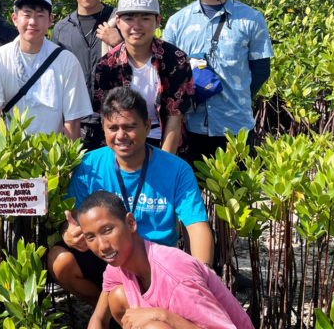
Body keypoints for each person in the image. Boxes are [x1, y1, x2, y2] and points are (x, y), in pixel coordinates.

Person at [48, 87, 212, 313]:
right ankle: (118, 313)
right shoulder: (88, 165)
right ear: (103, 130)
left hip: (152, 259)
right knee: (59, 260)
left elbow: (196, 226)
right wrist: (70, 234)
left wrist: (201, 276)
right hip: (106, 255)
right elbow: (73, 219)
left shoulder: (177, 170)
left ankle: (135, 308)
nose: (120, 135)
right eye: (112, 128)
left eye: (129, 127)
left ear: (146, 127)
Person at [162, 0, 273, 167]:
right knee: (190, 198)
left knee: (238, 196)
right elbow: (167, 70)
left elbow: (261, 69)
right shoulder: (177, 21)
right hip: (189, 127)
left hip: (236, 127)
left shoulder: (252, 18)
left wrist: (238, 97)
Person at [80, 191, 253, 329]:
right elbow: (99, 318)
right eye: (90, 237)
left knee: (154, 327)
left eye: (108, 230)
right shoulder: (117, 265)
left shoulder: (175, 273)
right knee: (117, 296)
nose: (102, 246)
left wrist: (164, 316)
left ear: (131, 223)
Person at [0, 0, 92, 139]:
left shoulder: (67, 61)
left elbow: (72, 121)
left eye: (40, 15)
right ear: (15, 19)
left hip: (53, 159)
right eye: (26, 15)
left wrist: (68, 161)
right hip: (11, 158)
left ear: (50, 20)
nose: (33, 22)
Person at [94, 0, 194, 158]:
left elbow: (174, 118)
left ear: (158, 21)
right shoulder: (106, 65)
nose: (137, 26)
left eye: (145, 18)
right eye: (129, 18)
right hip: (122, 144)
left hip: (163, 142)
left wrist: (164, 164)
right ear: (118, 22)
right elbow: (107, 120)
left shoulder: (176, 60)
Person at [51, 0, 122, 147]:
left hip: (113, 115)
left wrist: (118, 42)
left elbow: (140, 60)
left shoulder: (119, 21)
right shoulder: (61, 29)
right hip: (74, 118)